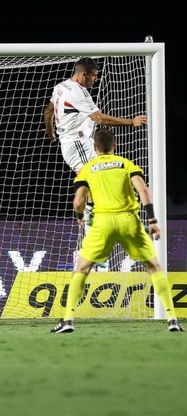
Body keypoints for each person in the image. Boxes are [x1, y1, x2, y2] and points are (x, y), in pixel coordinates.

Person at [51, 129, 182, 333]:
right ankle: (172, 318)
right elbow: (144, 191)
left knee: (82, 269)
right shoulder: (126, 164)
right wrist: (153, 220)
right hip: (129, 221)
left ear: (95, 149)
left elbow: (78, 201)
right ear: (115, 146)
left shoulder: (88, 168)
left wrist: (79, 217)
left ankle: (68, 319)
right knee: (154, 267)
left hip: (102, 222)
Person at [43, 57, 147, 229]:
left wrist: (49, 129)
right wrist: (131, 122)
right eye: (94, 76)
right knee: (96, 179)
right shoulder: (78, 93)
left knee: (99, 178)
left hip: (78, 142)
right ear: (84, 74)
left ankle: (92, 216)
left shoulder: (61, 86)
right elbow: (99, 118)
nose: (96, 79)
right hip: (77, 144)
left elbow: (48, 111)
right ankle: (90, 222)